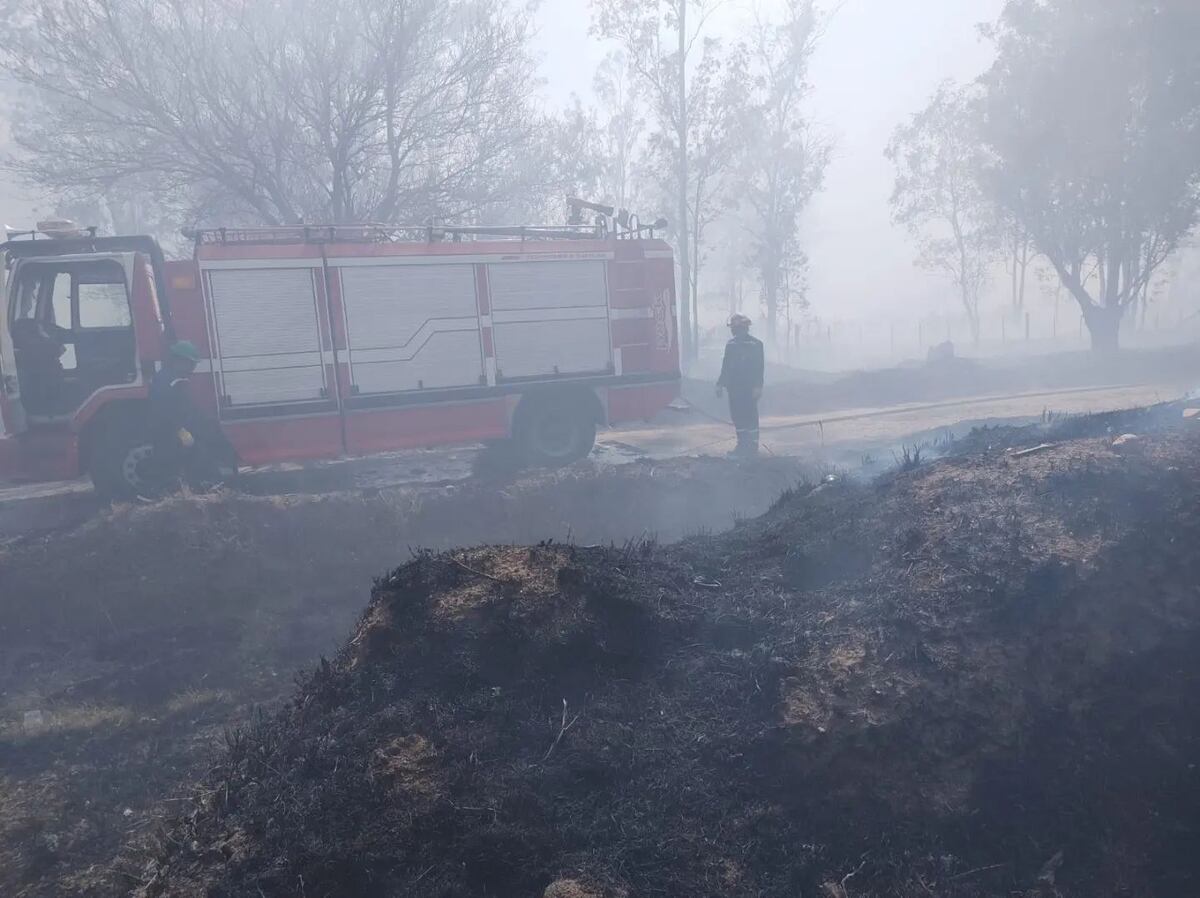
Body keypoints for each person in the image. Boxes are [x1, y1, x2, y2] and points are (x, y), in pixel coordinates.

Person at [148, 340, 236, 490]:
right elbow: (164, 410)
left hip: (178, 430)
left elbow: (186, 408)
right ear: (178, 360)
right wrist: (180, 430)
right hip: (169, 433)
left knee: (199, 451)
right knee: (187, 459)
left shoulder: (174, 378)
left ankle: (206, 486)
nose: (193, 368)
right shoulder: (166, 382)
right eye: (191, 363)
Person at [715, 313, 765, 458]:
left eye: (735, 328)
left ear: (744, 328)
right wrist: (720, 384)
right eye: (733, 328)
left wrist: (758, 386)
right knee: (737, 417)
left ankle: (752, 446)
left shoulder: (756, 344)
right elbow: (726, 366)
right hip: (734, 388)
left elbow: (759, 367)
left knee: (750, 416)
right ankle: (742, 445)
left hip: (749, 388)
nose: (733, 331)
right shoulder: (731, 345)